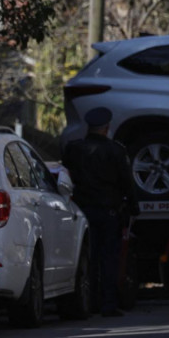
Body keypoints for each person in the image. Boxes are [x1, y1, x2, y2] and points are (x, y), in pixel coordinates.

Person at [62, 106, 140, 317]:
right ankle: (108, 303)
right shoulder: (116, 150)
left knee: (87, 258)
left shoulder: (74, 149)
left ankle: (88, 302)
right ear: (107, 128)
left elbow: (66, 176)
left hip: (82, 211)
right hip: (108, 212)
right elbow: (126, 182)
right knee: (109, 258)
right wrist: (134, 206)